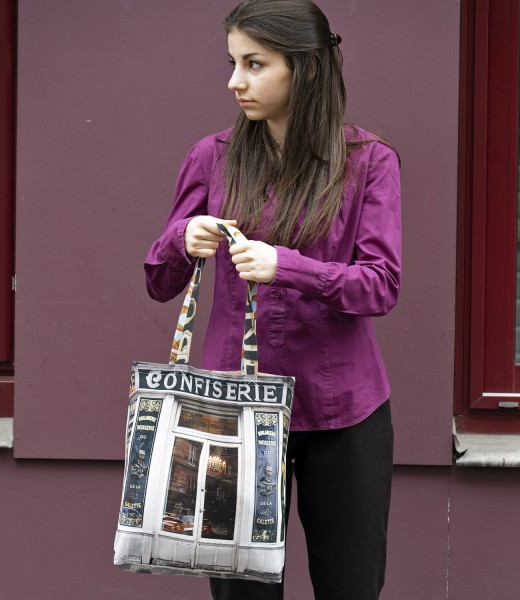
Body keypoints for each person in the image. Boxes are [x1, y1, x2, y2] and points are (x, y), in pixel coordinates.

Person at [144, 0, 401, 598]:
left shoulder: (369, 162)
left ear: (304, 69)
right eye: (234, 62)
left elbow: (381, 284)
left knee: (351, 586)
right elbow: (159, 282)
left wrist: (287, 266)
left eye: (254, 64)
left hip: (345, 412)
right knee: (240, 593)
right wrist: (183, 238)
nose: (235, 81)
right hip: (232, 416)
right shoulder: (212, 156)